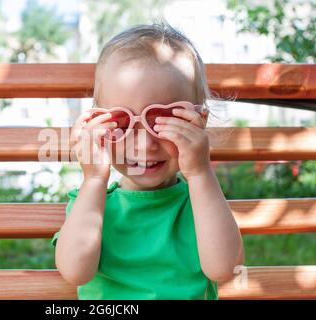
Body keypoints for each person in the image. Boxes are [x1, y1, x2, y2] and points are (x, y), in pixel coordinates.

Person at [51, 22, 244, 300]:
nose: (144, 143)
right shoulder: (91, 203)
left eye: (163, 121)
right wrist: (94, 179)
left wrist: (201, 174)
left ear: (197, 122)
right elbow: (74, 271)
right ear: (97, 124)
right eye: (122, 121)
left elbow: (225, 269)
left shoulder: (201, 202)